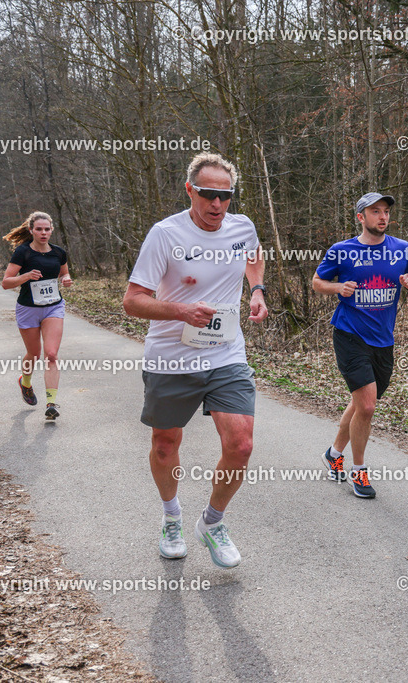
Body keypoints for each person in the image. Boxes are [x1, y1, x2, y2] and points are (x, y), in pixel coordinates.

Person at [123, 152, 268, 569]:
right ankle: (172, 518)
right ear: (190, 190)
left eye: (225, 196)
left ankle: (213, 523)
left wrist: (256, 291)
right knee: (166, 443)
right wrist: (181, 310)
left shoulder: (242, 227)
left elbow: (253, 256)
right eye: (208, 194)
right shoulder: (165, 235)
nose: (217, 205)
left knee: (240, 445)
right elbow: (132, 302)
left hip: (226, 353)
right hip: (171, 357)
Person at [312, 192, 408, 498]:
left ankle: (333, 454)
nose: (383, 216)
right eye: (375, 211)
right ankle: (359, 471)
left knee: (361, 404)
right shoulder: (342, 251)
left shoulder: (401, 249)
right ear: (361, 217)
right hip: (350, 335)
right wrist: (338, 287)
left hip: (383, 341)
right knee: (367, 405)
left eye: (386, 211)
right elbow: (317, 283)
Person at [1, 211, 73, 421]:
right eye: (39, 229)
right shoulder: (23, 253)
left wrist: (67, 279)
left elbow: (64, 272)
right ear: (31, 230)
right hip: (28, 308)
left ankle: (51, 403)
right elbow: (6, 282)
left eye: (47, 229)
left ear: (52, 230)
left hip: (53, 307)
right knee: (33, 353)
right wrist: (25, 276)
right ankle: (25, 382)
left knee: (51, 354)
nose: (43, 233)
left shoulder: (59, 252)